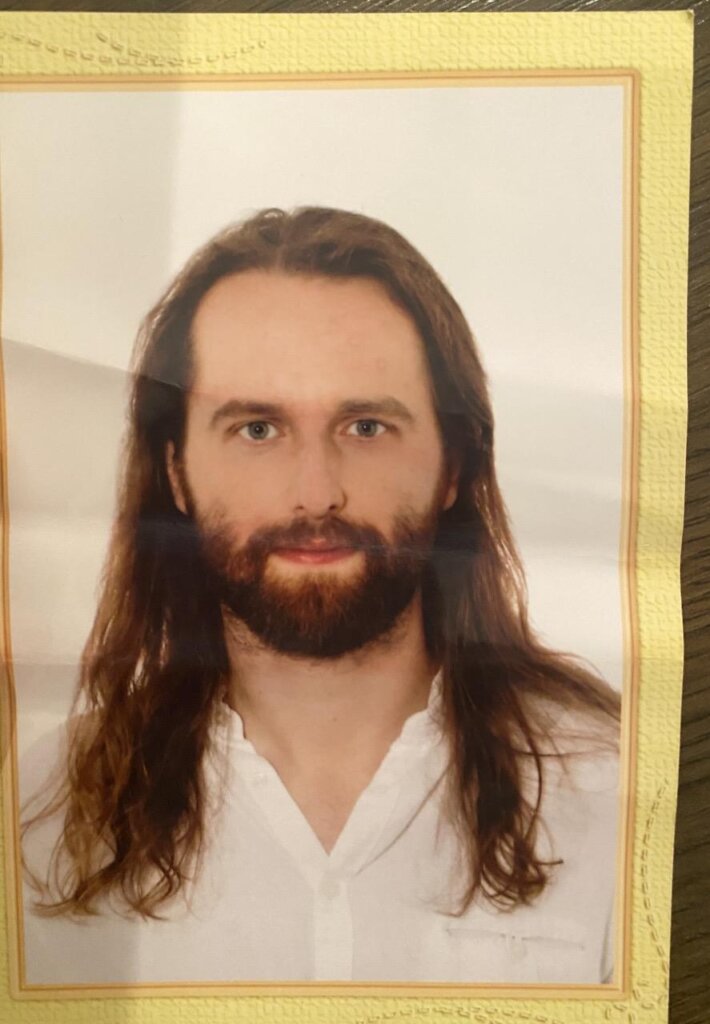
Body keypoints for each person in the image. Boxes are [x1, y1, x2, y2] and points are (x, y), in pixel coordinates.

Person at [21, 206, 620, 986]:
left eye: (365, 427)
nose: (315, 492)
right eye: (257, 429)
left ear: (453, 466)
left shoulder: (618, 788)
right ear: (176, 473)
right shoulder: (45, 808)